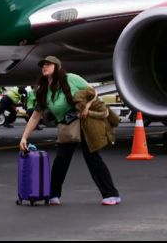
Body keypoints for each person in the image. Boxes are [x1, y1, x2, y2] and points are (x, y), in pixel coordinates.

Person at [20, 56, 121, 206]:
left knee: (92, 157)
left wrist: (86, 108)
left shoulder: (71, 79)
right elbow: (35, 116)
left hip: (84, 123)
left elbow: (93, 92)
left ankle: (111, 194)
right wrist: (24, 138)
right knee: (61, 160)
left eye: (48, 64)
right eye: (43, 65)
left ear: (57, 67)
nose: (44, 67)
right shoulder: (43, 89)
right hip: (67, 126)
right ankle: (53, 195)